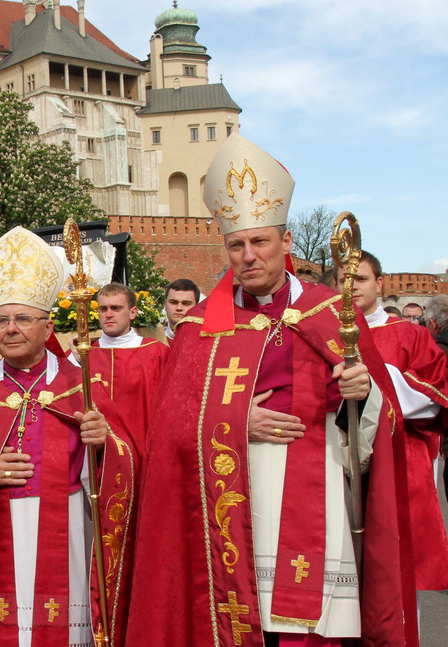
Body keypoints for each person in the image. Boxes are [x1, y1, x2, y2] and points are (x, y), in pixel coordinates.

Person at [125, 134, 416, 644]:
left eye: (259, 242)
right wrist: (235, 421)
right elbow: (168, 429)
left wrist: (363, 393)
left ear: (285, 242)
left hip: (319, 488)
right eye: (236, 245)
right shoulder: (200, 329)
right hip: (233, 495)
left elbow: (380, 427)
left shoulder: (332, 313)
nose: (248, 256)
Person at [0, 228, 129, 647]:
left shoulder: (81, 386)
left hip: (69, 530)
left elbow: (129, 464)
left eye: (22, 319)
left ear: (47, 324)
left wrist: (106, 445)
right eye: (1, 320)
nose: (10, 329)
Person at [340, 251, 448, 601]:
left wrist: (375, 382)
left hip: (399, 459)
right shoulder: (322, 334)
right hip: (337, 465)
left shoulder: (408, 335)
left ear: (380, 284)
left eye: (360, 279)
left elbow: (435, 396)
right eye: (344, 279)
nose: (351, 287)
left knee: (397, 584)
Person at [70, 283, 170, 450]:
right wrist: (75, 361)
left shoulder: (156, 352)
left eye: (116, 308)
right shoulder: (81, 354)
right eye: (103, 309)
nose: (109, 314)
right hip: (95, 452)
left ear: (133, 312)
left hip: (142, 447)